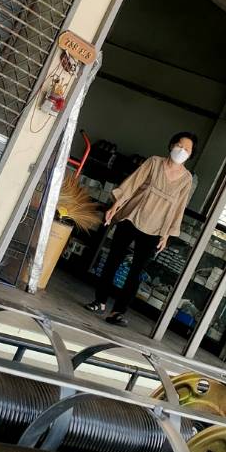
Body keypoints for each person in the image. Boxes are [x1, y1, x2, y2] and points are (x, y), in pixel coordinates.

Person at [85, 132, 196, 327]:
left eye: (187, 149)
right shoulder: (154, 162)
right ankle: (100, 301)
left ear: (190, 154)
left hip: (156, 228)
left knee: (136, 272)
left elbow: (179, 207)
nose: (182, 151)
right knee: (113, 260)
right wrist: (115, 206)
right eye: (179, 145)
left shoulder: (186, 179)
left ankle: (118, 312)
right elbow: (132, 184)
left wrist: (167, 234)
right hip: (133, 216)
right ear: (171, 145)